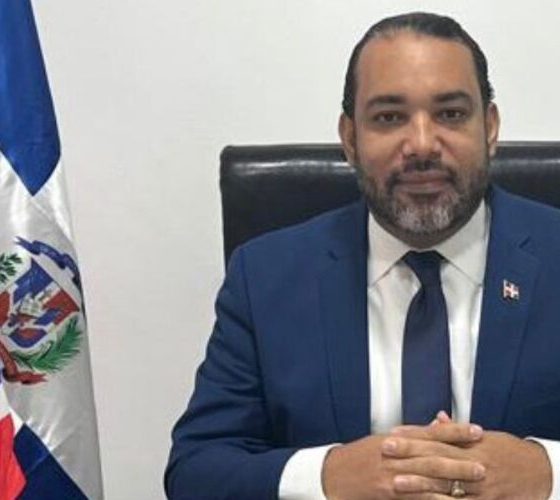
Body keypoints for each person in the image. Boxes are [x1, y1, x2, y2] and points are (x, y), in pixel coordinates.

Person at [165, 12, 560, 499]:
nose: (422, 145)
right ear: (350, 139)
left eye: (451, 114)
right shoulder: (265, 277)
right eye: (389, 117)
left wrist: (548, 471)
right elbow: (196, 472)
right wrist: (327, 476)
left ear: (491, 127)